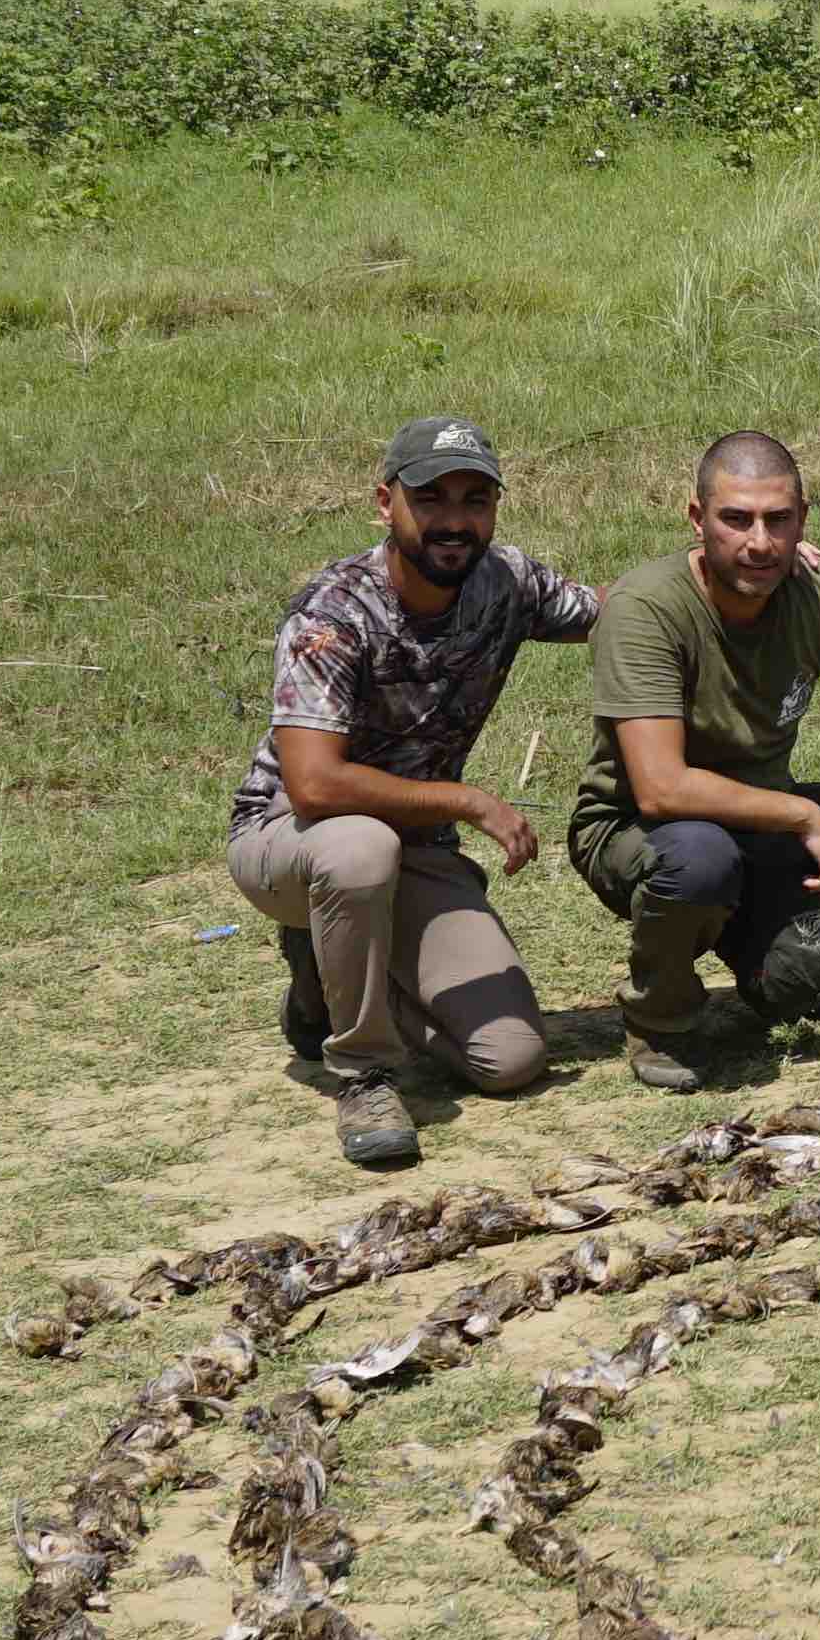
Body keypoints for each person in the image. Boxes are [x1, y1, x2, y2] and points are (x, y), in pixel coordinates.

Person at [227, 415, 595, 1169]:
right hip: (292, 838)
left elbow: (619, 609)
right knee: (361, 848)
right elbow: (314, 782)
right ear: (385, 503)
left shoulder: (507, 583)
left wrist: (730, 564)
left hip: (414, 850)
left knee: (511, 1058)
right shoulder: (332, 612)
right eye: (432, 499)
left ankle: (326, 977)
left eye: (476, 499)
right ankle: (364, 1071)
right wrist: (469, 801)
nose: (455, 520)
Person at [571, 431, 820, 1089]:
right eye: (736, 519)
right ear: (698, 521)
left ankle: (779, 934)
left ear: (802, 520)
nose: (759, 542)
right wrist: (802, 813)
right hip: (638, 831)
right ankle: (661, 1019)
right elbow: (660, 789)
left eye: (777, 520)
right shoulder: (648, 606)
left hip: (764, 831)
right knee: (700, 861)